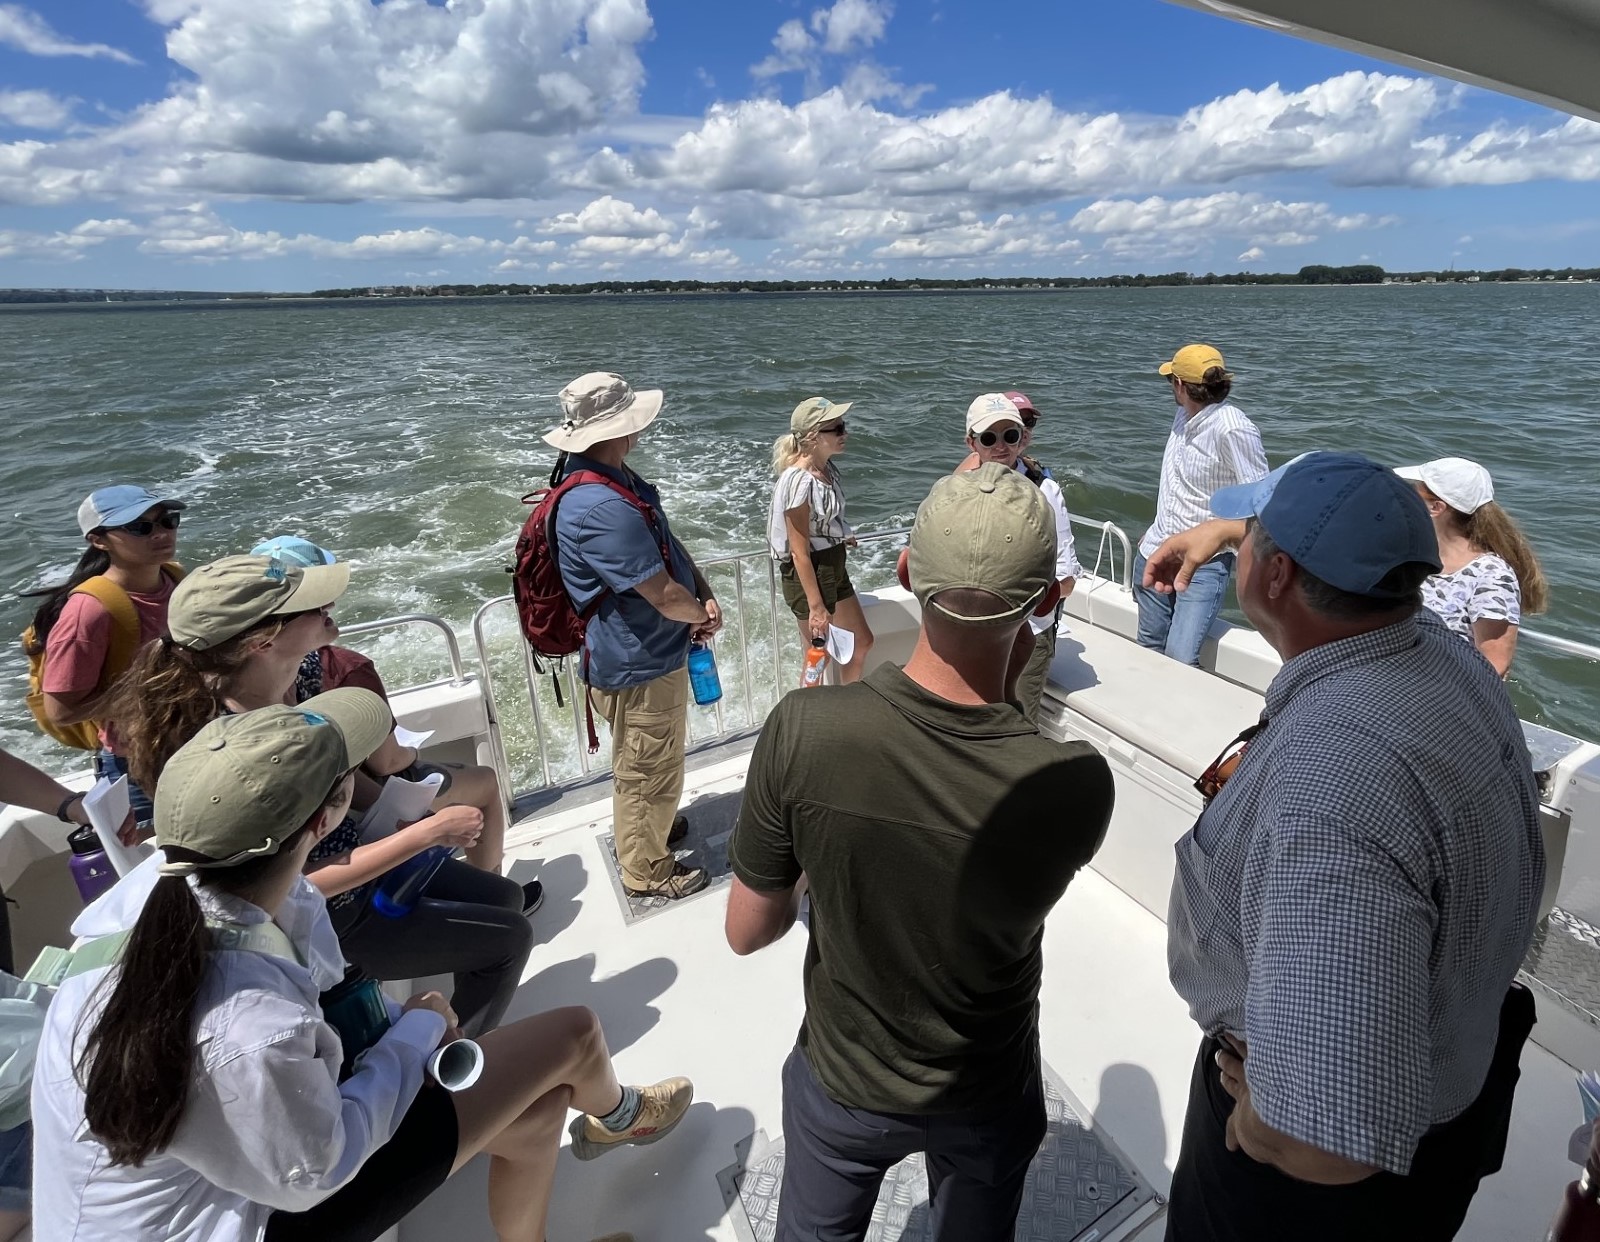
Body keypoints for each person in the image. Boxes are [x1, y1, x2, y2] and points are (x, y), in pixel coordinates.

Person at [30, 689, 691, 1242]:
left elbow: (306, 983)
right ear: (327, 818)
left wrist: (403, 1031)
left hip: (219, 1178)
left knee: (538, 1113)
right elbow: (324, 1163)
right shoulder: (246, 1029)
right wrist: (421, 1028)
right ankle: (620, 1112)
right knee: (573, 1036)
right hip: (258, 1214)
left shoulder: (155, 890)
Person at [725, 464, 1115, 1242]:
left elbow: (747, 931)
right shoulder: (1075, 784)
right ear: (1044, 601)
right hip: (989, 1089)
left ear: (905, 574)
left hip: (843, 1083)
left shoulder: (804, 731)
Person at [1163, 452, 1543, 1241]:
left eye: (1253, 535)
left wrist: (1262, 1127)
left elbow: (1325, 1139)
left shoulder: (1333, 784)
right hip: (1451, 1105)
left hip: (1301, 1189)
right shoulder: (1441, 651)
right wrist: (1230, 532)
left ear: (1275, 576)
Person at [106, 554, 533, 1038]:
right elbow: (287, 881)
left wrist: (400, 810)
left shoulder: (305, 675)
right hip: (316, 914)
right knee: (510, 939)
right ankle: (454, 1069)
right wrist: (428, 835)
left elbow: (340, 777)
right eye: (309, 604)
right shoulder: (220, 747)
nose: (328, 603)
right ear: (261, 641)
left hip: (353, 855)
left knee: (506, 897)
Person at [252, 534, 520, 882]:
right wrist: (410, 754)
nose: (329, 609)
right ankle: (492, 883)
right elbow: (386, 761)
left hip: (331, 808)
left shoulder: (254, 688)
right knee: (485, 782)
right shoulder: (346, 666)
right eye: (318, 605)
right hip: (367, 800)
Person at [546, 371, 722, 901]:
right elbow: (662, 593)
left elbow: (664, 545)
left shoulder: (608, 482)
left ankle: (654, 828)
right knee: (645, 769)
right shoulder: (601, 506)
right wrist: (698, 615)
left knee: (656, 759)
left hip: (642, 653)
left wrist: (704, 592)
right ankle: (646, 869)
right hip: (639, 663)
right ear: (621, 430)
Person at [26, 484, 186, 832]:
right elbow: (61, 711)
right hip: (136, 766)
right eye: (140, 527)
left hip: (190, 741)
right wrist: (151, 688)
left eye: (167, 521)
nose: (160, 533)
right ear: (99, 540)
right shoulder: (89, 612)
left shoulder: (177, 579)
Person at [1131, 345, 1266, 667]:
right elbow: (1177, 484)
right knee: (1147, 645)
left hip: (1202, 564)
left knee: (1180, 657)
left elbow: (1261, 497)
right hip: (1156, 549)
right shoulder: (1184, 415)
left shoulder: (1233, 427)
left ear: (1180, 384)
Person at [956, 392, 1080, 720]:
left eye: (1010, 435)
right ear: (972, 443)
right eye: (988, 438)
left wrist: (1021, 605)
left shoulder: (1046, 491)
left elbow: (1066, 576)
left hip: (1030, 631)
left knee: (1020, 722)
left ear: (1022, 438)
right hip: (975, 629)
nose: (1001, 446)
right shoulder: (959, 490)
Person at [1392, 457, 1548, 677]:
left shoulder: (1491, 575)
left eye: (1414, 493)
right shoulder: (1416, 556)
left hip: (1440, 692)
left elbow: (1494, 665)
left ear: (1436, 508)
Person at [768, 396, 874, 684]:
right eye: (837, 429)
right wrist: (816, 607)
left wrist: (840, 534)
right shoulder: (799, 481)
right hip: (810, 573)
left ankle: (842, 709)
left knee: (860, 642)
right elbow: (799, 552)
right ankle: (808, 722)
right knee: (817, 657)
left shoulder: (826, 471)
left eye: (843, 426)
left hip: (832, 565)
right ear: (813, 437)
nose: (845, 434)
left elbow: (821, 520)